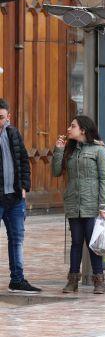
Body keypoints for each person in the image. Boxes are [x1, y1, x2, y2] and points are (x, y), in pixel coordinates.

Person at [53, 115, 105, 294]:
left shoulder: (98, 150)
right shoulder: (70, 150)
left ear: (83, 130)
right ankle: (72, 281)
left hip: (92, 204)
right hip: (73, 203)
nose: (69, 129)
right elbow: (56, 171)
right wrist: (59, 149)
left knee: (93, 244)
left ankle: (99, 281)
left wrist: (103, 205)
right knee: (76, 243)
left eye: (73, 126)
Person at [0, 99, 40, 294]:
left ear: (8, 116)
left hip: (15, 198)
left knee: (16, 239)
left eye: (1, 117)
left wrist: (24, 187)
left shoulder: (13, 133)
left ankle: (17, 279)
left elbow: (24, 160)